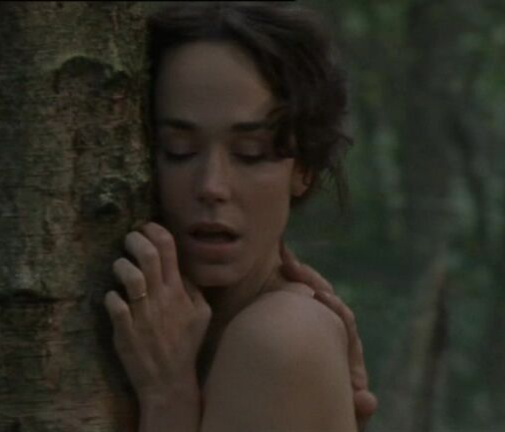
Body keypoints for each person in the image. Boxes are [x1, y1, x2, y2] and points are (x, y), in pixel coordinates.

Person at [102, 2, 377, 431]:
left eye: (251, 153)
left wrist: (168, 397)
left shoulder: (280, 337)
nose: (212, 185)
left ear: (303, 168)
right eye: (178, 150)